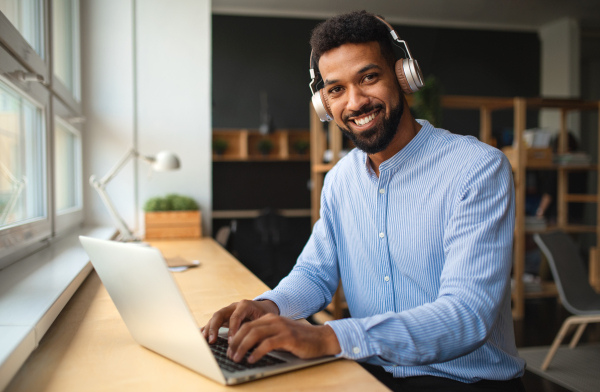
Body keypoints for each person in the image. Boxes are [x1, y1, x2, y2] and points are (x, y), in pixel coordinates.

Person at [202, 10, 526, 391]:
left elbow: (467, 315)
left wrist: (328, 338)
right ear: (324, 103)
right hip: (369, 370)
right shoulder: (340, 179)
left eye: (368, 78)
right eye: (336, 89)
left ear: (403, 76)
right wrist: (268, 307)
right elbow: (314, 274)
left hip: (464, 380)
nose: (355, 102)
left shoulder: (477, 169)